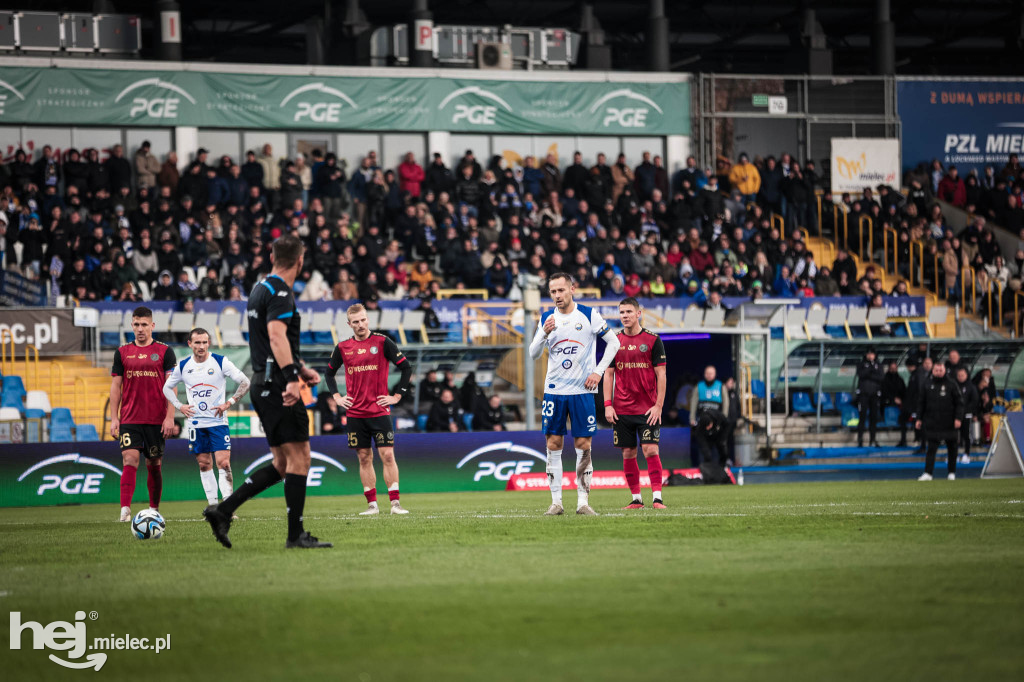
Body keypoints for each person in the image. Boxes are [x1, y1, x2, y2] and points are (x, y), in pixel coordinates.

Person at [203, 235, 329, 549]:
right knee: (300, 459)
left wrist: (299, 368)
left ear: (272, 257)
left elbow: (270, 340)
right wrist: (291, 379)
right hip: (277, 385)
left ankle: (223, 510)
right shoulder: (283, 292)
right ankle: (295, 536)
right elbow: (276, 337)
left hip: (262, 381)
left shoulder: (261, 288)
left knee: (283, 463)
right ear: (300, 261)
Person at [529, 272, 621, 516]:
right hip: (554, 392)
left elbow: (614, 343)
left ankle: (582, 503)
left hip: (582, 391)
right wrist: (543, 334)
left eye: (561, 290)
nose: (557, 296)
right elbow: (533, 353)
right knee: (553, 443)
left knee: (583, 445)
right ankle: (556, 502)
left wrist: (599, 372)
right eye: (553, 292)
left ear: (572, 289)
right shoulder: (547, 318)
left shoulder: (589, 315)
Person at [325, 303, 413, 515]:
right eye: (356, 322)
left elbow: (406, 367)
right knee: (364, 457)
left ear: (368, 320)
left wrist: (396, 396)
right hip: (355, 414)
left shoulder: (383, 342)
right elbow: (328, 373)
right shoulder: (342, 347)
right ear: (349, 324)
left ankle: (395, 504)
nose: (360, 324)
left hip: (379, 412)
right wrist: (337, 397)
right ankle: (372, 505)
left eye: (363, 320)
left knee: (388, 456)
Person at [163, 328, 250, 512]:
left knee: (224, 463)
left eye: (204, 342)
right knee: (204, 464)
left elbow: (245, 382)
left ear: (209, 343)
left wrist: (229, 403)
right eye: (197, 343)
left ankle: (227, 508)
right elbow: (166, 388)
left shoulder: (220, 361)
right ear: (190, 344)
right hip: (196, 423)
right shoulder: (184, 365)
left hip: (218, 422)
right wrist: (180, 406)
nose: (201, 346)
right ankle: (212, 507)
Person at [110, 306, 177, 522]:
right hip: (130, 418)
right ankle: (125, 510)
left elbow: (172, 385)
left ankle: (154, 509)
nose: (140, 329)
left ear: (152, 326)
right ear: (132, 325)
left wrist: (169, 417)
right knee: (129, 459)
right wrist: (114, 418)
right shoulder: (122, 352)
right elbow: (115, 386)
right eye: (136, 325)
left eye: (144, 325)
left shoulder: (165, 351)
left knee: (154, 464)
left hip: (156, 419)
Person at [602, 297, 667, 510]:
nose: (625, 316)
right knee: (628, 453)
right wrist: (608, 404)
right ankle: (636, 499)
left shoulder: (652, 340)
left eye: (629, 311)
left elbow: (662, 375)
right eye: (622, 312)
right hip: (621, 409)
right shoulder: (614, 341)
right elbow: (608, 375)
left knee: (650, 449)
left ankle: (657, 498)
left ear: (639, 313)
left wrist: (658, 405)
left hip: (648, 409)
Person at [916, 362, 964, 481]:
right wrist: (919, 418)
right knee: (931, 449)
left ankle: (951, 473)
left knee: (952, 448)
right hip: (932, 422)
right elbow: (921, 403)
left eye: (940, 370)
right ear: (933, 371)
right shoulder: (927, 384)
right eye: (936, 370)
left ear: (944, 370)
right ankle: (928, 473)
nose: (938, 372)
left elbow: (960, 403)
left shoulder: (952, 384)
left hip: (949, 422)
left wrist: (958, 418)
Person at [855, 350, 884, 448]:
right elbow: (861, 375)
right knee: (862, 417)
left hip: (874, 395)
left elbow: (880, 377)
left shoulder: (878, 365)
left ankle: (873, 439)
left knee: (873, 418)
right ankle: (860, 440)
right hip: (864, 394)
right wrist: (871, 369)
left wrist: (870, 372)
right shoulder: (861, 364)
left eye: (872, 353)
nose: (870, 355)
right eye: (868, 353)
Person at [955, 367, 979, 464]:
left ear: (966, 375)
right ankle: (954, 455)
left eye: (962, 375)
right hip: (956, 415)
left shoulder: (971, 387)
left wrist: (968, 411)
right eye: (959, 375)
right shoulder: (954, 386)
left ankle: (967, 454)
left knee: (966, 435)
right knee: (954, 436)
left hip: (967, 415)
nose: (960, 377)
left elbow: (974, 401)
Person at [881, 361, 907, 446]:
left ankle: (903, 440)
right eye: (892, 368)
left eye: (895, 368)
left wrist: (902, 400)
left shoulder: (900, 379)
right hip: (888, 403)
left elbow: (904, 391)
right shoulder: (885, 379)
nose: (893, 370)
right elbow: (884, 392)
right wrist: (893, 399)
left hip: (900, 404)